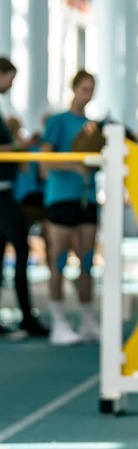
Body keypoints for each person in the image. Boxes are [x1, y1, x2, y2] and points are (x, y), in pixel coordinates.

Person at [41, 70, 100, 346]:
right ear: (74, 89)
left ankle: (88, 320)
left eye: (92, 89)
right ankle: (59, 321)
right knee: (59, 260)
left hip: (86, 198)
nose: (88, 94)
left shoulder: (92, 126)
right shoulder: (57, 122)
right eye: (84, 89)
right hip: (60, 197)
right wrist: (74, 166)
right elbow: (46, 160)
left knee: (87, 261)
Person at [0, 59, 46, 338]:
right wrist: (21, 146)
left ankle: (27, 316)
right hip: (2, 191)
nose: (12, 85)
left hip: (6, 188)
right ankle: (27, 317)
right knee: (21, 247)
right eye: (10, 79)